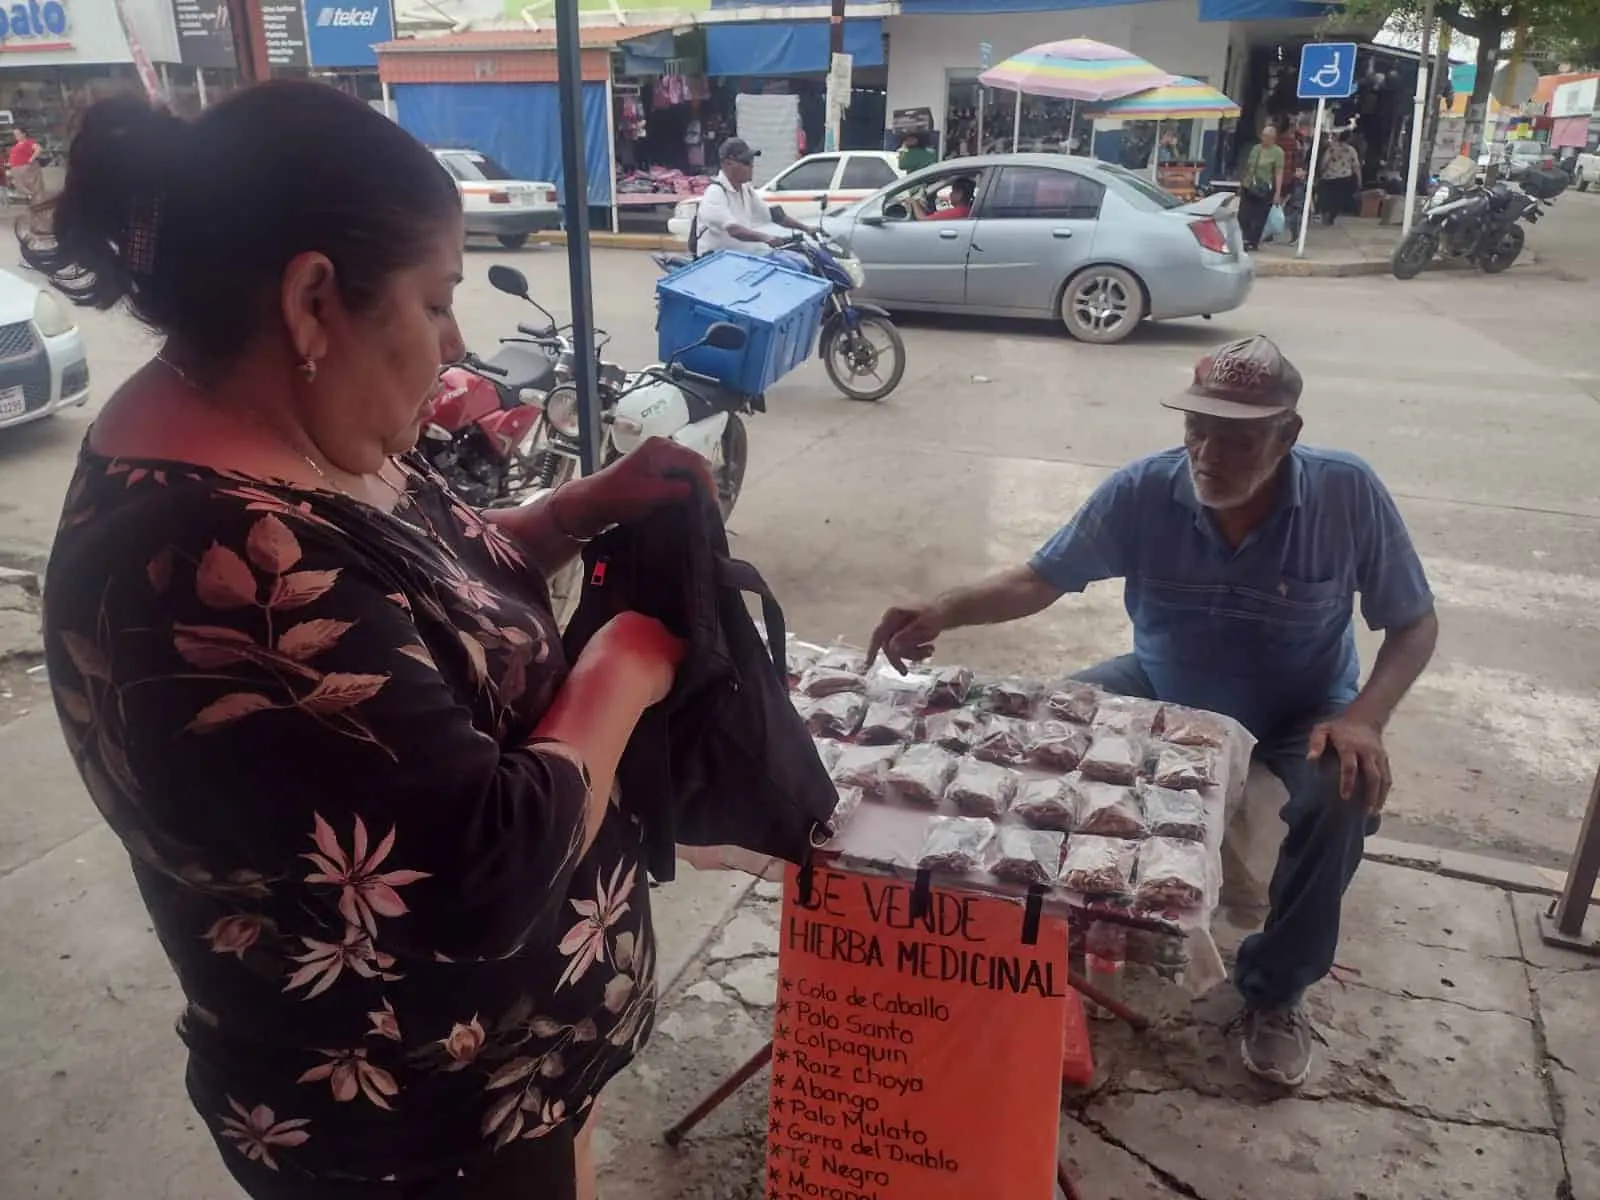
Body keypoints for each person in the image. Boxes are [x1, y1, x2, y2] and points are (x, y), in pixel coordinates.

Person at [27, 80, 713, 1199]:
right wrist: (628, 655)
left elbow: (414, 588)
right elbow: (479, 872)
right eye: (436, 299)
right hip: (410, 1128)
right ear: (312, 300)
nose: (455, 342)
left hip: (501, 1082)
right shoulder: (205, 562)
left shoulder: (274, 435)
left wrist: (572, 512)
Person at [867, 335, 1438, 1089]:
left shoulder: (1345, 493)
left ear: (1288, 435)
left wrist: (1365, 715)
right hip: (1167, 683)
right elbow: (1040, 580)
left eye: (1236, 437)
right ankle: (1055, 926)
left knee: (1343, 790)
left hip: (1302, 705)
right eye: (1196, 428)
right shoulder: (1145, 491)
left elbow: (1414, 622)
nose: (1208, 452)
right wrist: (942, 607)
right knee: (1031, 739)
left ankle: (1275, 990)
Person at [695, 137, 814, 257]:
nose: (752, 166)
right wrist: (766, 238)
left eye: (752, 161)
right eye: (746, 162)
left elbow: (773, 215)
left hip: (741, 258)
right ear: (728, 164)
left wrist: (806, 228)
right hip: (715, 262)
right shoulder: (715, 193)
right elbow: (734, 230)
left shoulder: (746, 189)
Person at [1237, 126, 1284, 251]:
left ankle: (1253, 241)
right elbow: (1248, 166)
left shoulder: (1277, 152)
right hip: (1249, 185)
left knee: (1259, 217)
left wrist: (1277, 193)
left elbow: (1278, 173)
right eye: (1263, 135)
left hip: (1263, 188)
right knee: (1244, 214)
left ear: (1273, 138)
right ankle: (1244, 239)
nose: (1264, 138)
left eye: (1267, 136)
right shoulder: (1255, 149)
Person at [1318, 132, 1362, 225]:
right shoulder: (1351, 150)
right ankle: (1332, 216)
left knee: (1328, 196)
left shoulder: (1332, 148)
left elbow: (1324, 162)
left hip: (1329, 176)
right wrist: (1359, 179)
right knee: (1338, 199)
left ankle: (1326, 212)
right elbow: (1356, 166)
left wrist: (1322, 173)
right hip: (1344, 177)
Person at [8, 125, 42, 204]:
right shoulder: (16, 145)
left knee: (29, 183)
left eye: (18, 134)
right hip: (15, 167)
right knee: (15, 182)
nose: (16, 136)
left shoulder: (28, 142)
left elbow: (38, 149)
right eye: (15, 134)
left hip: (24, 166)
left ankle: (34, 199)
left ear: (24, 134)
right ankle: (29, 196)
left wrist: (31, 159)